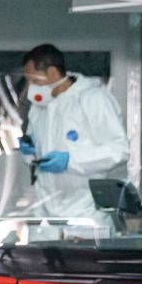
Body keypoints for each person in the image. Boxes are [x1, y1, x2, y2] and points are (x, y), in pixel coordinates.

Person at [18, 43, 129, 224]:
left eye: (34, 80)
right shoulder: (39, 108)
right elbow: (36, 157)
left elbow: (120, 150)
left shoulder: (92, 99)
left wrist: (71, 160)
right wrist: (29, 152)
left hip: (85, 213)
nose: (31, 86)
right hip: (45, 212)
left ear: (52, 73)